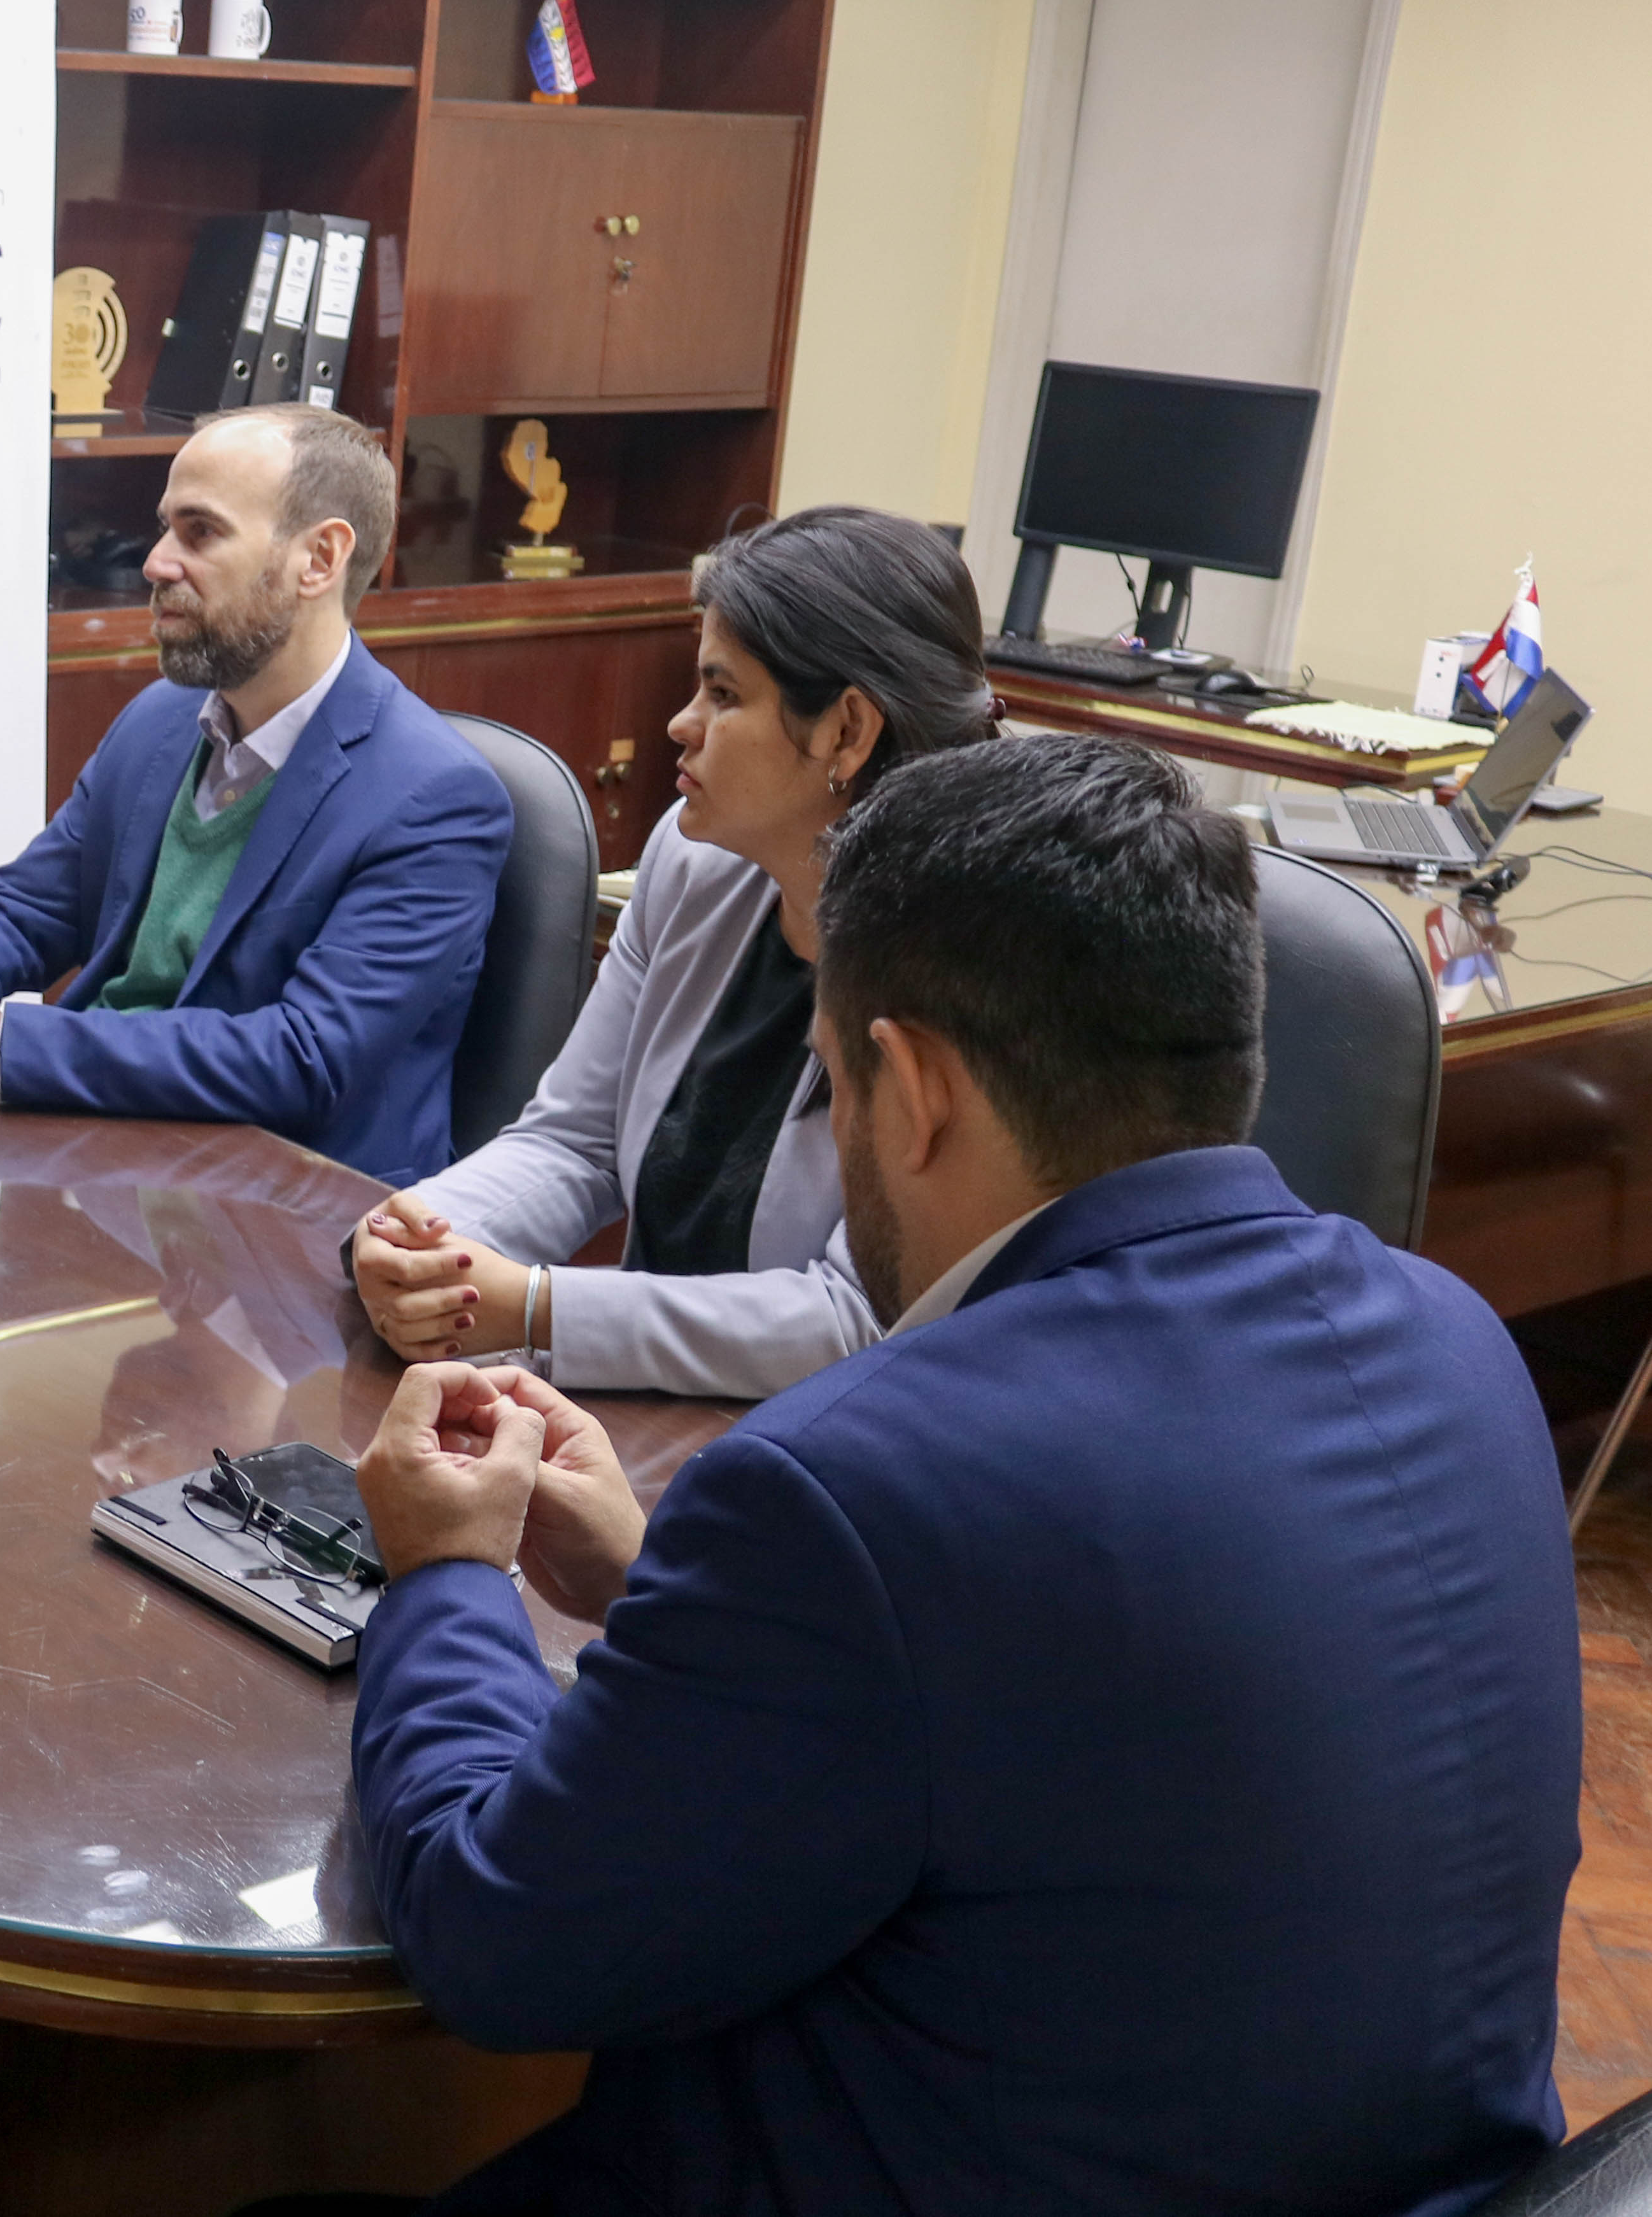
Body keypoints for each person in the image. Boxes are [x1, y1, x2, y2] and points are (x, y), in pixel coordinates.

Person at [342, 735, 1579, 2216]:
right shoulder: (1457, 1338)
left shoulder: (852, 1488)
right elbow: (1056, 1710)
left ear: (910, 1086)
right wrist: (645, 1582)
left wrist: (448, 1573)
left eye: (828, 1083)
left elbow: (493, 1941)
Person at [352, 505, 997, 1397]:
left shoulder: (975, 959)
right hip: (628, 1412)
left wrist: (535, 1308)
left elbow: (857, 1322)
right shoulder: (695, 860)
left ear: (846, 732)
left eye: (723, 696)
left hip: (819, 1447)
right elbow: (574, 1141)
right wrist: (426, 1234)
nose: (678, 725)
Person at [0, 405, 509, 1187]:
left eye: (200, 533)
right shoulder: (161, 719)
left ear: (319, 559)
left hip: (283, 1219)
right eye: (163, 529)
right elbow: (30, 908)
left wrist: (4, 1044)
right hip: (107, 1168)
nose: (156, 562)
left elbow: (303, 1060)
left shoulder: (437, 800)